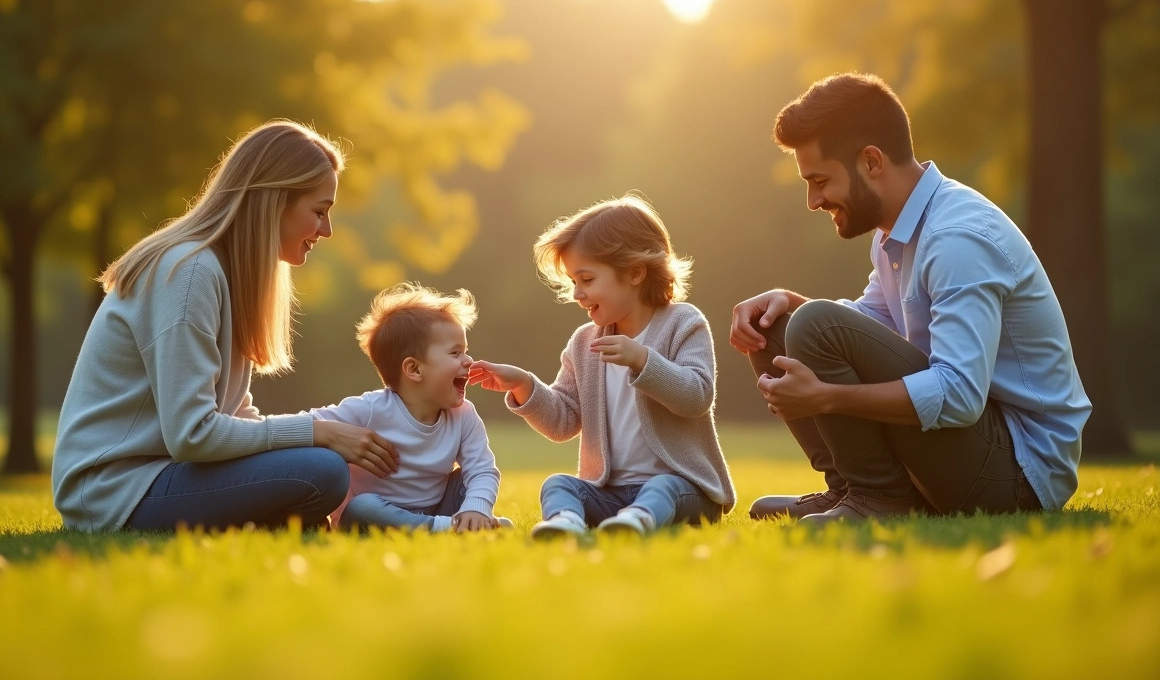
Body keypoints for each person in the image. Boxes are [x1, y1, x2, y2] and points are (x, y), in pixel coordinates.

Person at [730, 73, 1090, 524]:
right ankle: (850, 490)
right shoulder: (894, 233)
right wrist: (788, 302)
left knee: (813, 325)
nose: (812, 199)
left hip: (1019, 474)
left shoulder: (957, 238)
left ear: (871, 161)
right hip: (972, 448)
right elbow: (868, 327)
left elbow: (959, 395)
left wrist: (827, 398)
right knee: (776, 327)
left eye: (820, 180)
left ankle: (879, 498)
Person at [52, 120, 400, 532]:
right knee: (320, 470)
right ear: (275, 202)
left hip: (164, 474)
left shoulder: (228, 275)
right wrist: (317, 433)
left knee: (318, 470)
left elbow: (233, 412)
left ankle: (278, 519)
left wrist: (322, 440)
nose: (326, 230)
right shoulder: (190, 274)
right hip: (115, 491)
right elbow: (193, 434)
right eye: (319, 212)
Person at [470, 195, 735, 538]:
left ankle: (639, 519)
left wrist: (643, 360)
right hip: (609, 494)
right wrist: (524, 386)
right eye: (573, 282)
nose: (577, 293)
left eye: (587, 279)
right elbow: (563, 422)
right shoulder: (584, 342)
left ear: (636, 272)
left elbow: (697, 396)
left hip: (686, 490)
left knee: (663, 486)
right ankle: (566, 522)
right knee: (558, 484)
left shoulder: (683, 323)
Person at [307, 282, 507, 533]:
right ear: (414, 369)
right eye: (455, 353)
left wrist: (477, 508)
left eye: (466, 351)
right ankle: (453, 529)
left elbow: (482, 469)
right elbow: (306, 423)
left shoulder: (464, 415)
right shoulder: (369, 409)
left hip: (440, 506)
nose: (468, 361)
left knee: (468, 481)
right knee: (362, 507)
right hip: (379, 513)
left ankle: (466, 523)